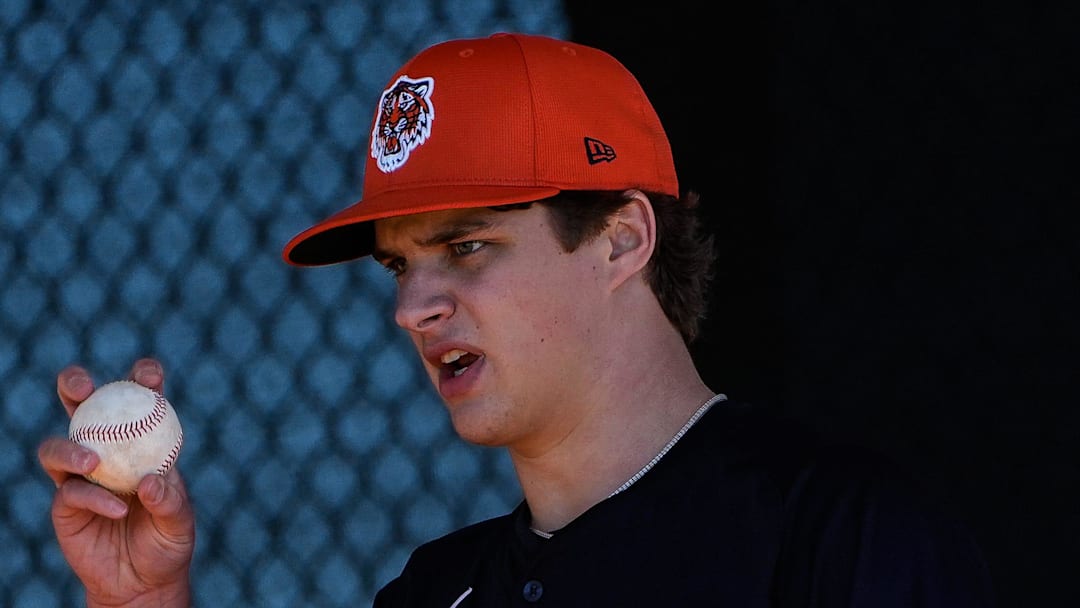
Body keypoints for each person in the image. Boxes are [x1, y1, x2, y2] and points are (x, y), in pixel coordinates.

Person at [37, 32, 995, 607]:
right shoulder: (436, 591)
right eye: (399, 266)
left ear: (622, 241)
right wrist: (144, 600)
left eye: (465, 247)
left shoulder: (839, 536)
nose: (414, 307)